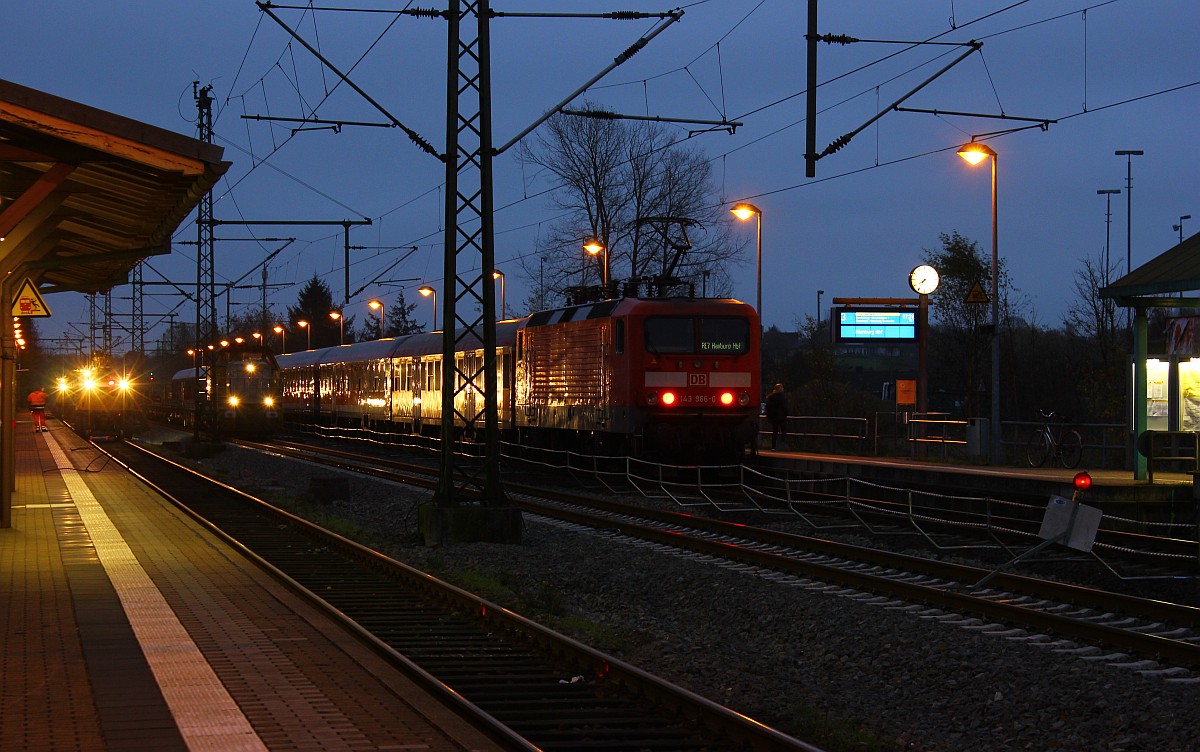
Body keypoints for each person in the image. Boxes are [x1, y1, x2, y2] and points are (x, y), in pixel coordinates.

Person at [764, 383, 788, 450]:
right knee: (783, 430)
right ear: (780, 389)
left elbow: (767, 407)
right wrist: (786, 413)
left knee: (775, 431)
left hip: (774, 417)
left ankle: (773, 446)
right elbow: (784, 406)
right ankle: (782, 444)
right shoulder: (781, 396)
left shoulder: (770, 397)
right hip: (781, 417)